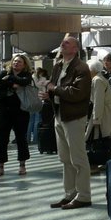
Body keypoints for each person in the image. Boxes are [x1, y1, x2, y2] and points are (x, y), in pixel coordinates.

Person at [42, 36, 93, 210]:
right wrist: (49, 94)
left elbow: (77, 93)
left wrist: (54, 89)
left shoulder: (81, 68)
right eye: (62, 42)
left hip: (74, 117)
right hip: (60, 115)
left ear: (75, 49)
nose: (63, 44)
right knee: (65, 158)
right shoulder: (58, 65)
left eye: (67, 43)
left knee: (78, 157)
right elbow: (55, 88)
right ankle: (70, 193)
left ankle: (84, 195)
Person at [0, 54, 34, 177]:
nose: (16, 63)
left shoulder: (26, 75)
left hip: (21, 111)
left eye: (19, 62)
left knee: (21, 138)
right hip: (4, 111)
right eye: (15, 61)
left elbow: (24, 82)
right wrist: (12, 83)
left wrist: (9, 79)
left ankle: (22, 165)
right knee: (2, 139)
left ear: (24, 64)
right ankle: (0, 167)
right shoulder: (4, 72)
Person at [86, 60, 111, 171]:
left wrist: (96, 119)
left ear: (92, 69)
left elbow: (98, 101)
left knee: (98, 138)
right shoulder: (99, 79)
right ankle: (102, 162)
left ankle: (97, 163)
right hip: (106, 113)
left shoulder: (97, 81)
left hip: (104, 114)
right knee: (104, 138)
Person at [27, 67, 49, 144]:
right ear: (41, 73)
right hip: (39, 101)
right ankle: (35, 139)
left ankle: (27, 139)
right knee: (37, 120)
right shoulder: (43, 79)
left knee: (30, 121)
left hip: (31, 101)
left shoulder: (31, 78)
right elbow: (44, 91)